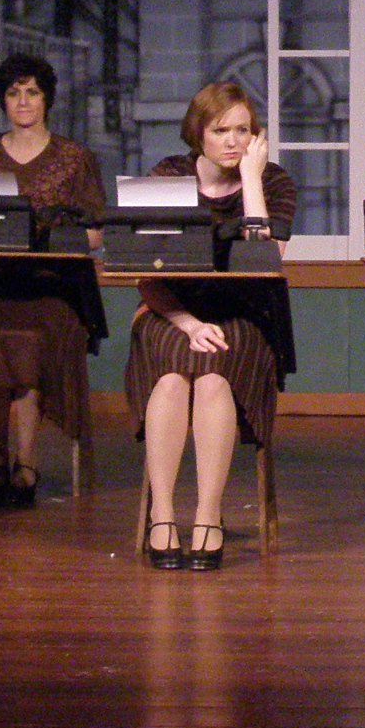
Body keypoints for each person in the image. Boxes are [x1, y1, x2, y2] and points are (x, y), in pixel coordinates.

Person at [125, 81, 296, 570]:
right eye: (221, 130)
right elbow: (146, 273)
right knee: (173, 376)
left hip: (244, 315)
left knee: (213, 373)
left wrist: (252, 182)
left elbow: (265, 265)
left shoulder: (274, 182)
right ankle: (162, 515)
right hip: (170, 311)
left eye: (243, 130)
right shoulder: (168, 177)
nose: (233, 141)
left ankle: (206, 516)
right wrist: (187, 322)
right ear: (198, 132)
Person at [0, 53, 109, 508]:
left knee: (34, 340)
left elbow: (97, 230)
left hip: (55, 286)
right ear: (3, 100)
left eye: (32, 92)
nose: (23, 101)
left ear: (47, 99)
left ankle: (25, 462)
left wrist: (53, 237)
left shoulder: (74, 158)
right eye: (13, 93)